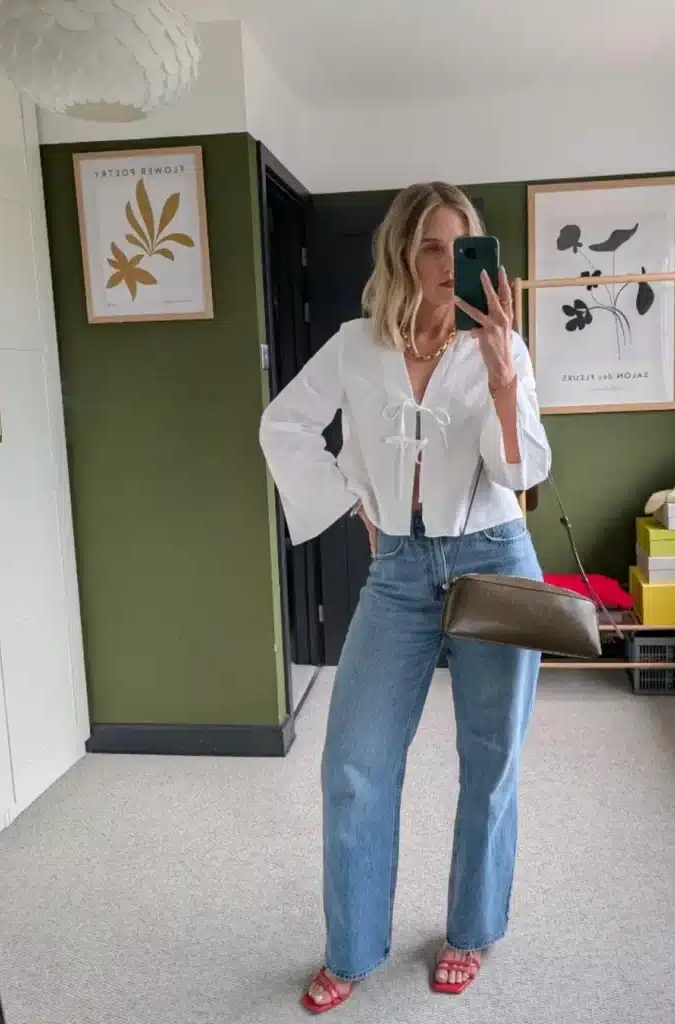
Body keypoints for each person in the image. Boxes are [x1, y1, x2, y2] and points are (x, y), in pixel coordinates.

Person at [259, 182, 551, 1014]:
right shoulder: (356, 345)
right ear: (399, 252)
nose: (441, 263)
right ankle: (351, 947)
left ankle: (470, 931)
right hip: (396, 573)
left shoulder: (504, 346)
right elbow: (282, 425)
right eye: (428, 245)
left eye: (459, 246)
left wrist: (502, 377)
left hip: (494, 558)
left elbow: (524, 474)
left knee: (490, 761)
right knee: (353, 763)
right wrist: (351, 500)